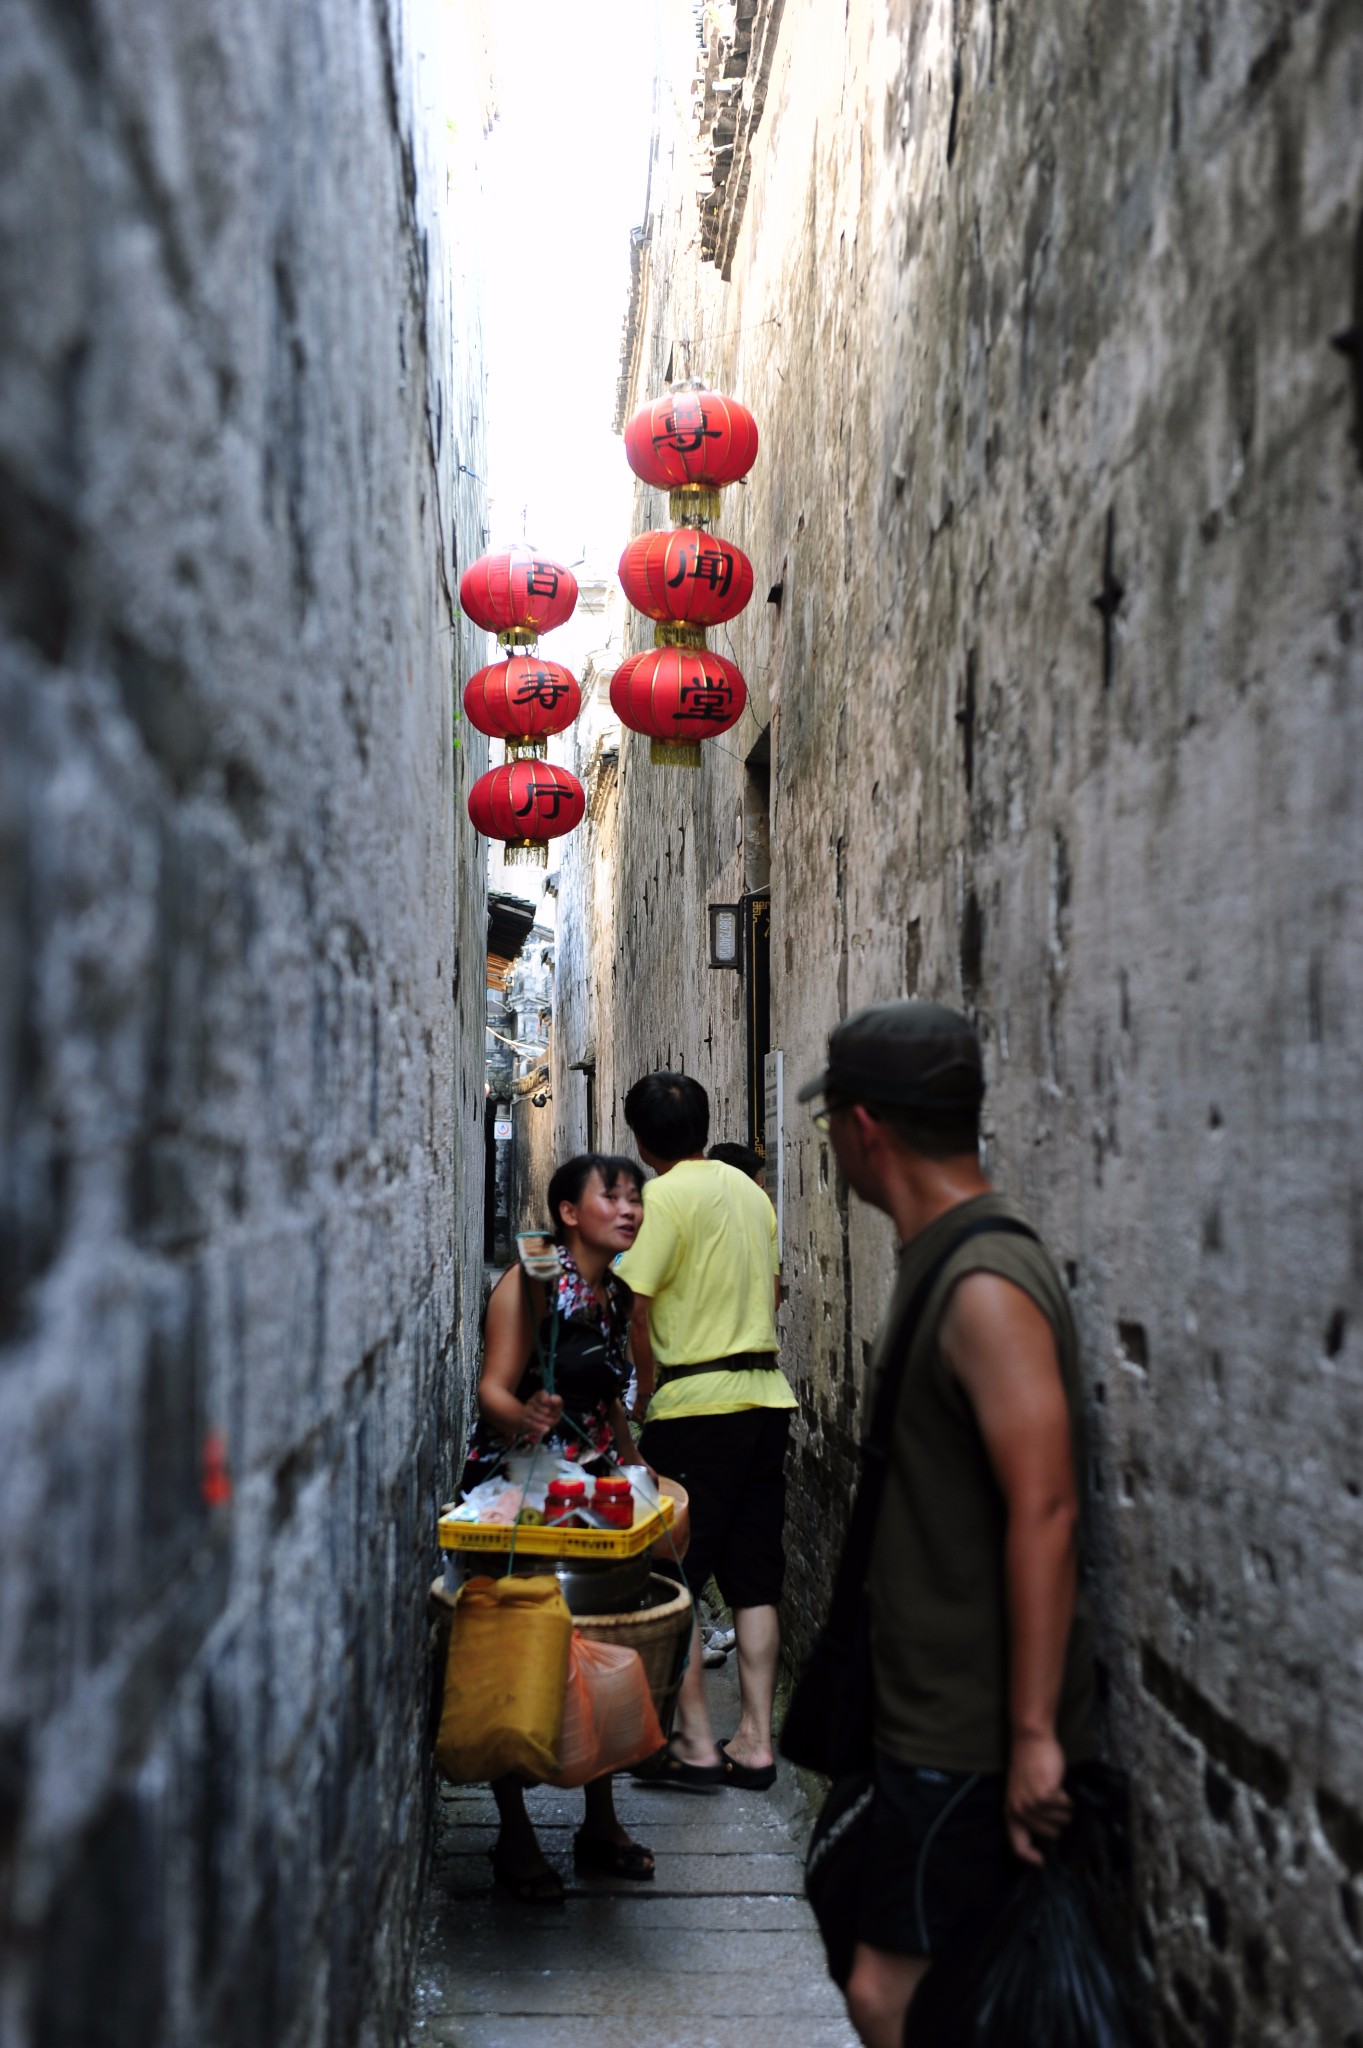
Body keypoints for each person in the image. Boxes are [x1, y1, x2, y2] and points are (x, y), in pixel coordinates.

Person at [797, 1001, 1098, 2047]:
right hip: (924, 1711)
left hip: (964, 1728)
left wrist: (1031, 1735)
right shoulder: (940, 1256)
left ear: (864, 1125)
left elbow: (1045, 1506)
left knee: (888, 1994)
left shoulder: (982, 1284)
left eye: (831, 1122)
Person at [461, 1152, 655, 1900]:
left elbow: (608, 1402)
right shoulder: (532, 1281)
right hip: (522, 1494)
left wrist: (638, 1474)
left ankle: (600, 1822)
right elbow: (492, 1391)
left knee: (604, 1648)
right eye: (614, 1196)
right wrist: (528, 1414)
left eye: (636, 1198)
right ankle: (514, 1835)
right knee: (520, 1651)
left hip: (591, 1494)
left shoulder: (615, 1295)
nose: (630, 1209)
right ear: (569, 1213)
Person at [615, 1072, 794, 1791]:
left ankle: (693, 1745)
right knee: (754, 1580)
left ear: (640, 1140)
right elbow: (772, 1290)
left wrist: (642, 1387)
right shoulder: (750, 1193)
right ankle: (755, 1742)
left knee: (671, 1576)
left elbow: (635, 1305)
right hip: (765, 1400)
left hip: (694, 1409)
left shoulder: (659, 1199)